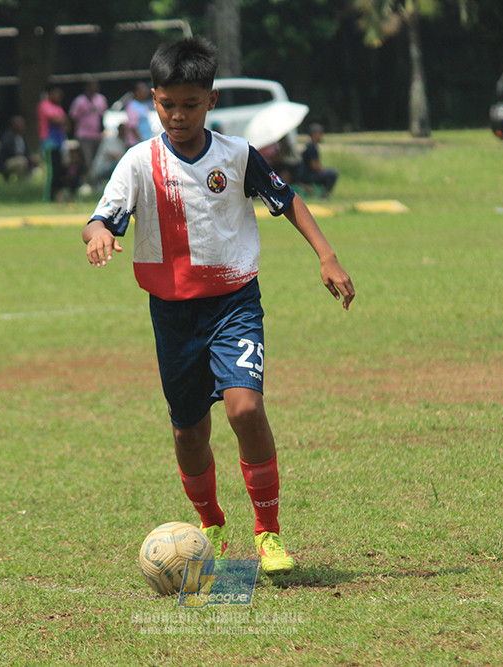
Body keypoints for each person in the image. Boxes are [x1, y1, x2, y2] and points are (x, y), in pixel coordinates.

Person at [82, 38, 355, 577]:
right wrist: (96, 235)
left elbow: (287, 198)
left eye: (189, 104)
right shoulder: (139, 162)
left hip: (234, 304)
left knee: (245, 410)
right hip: (173, 314)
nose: (177, 115)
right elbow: (104, 215)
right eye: (167, 105)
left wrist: (327, 256)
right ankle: (209, 519)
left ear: (208, 101)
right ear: (154, 101)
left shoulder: (235, 156)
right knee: (189, 432)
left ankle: (268, 535)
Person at [68, 79, 108, 186]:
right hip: (83, 135)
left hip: (96, 135)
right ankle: (90, 182)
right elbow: (73, 117)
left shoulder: (101, 99)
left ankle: (93, 180)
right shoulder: (79, 101)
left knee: (97, 160)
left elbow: (102, 116)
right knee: (87, 159)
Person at [37, 85, 69, 202]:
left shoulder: (58, 107)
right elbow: (56, 120)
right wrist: (61, 120)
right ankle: (47, 197)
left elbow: (64, 121)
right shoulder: (44, 105)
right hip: (49, 142)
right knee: (51, 170)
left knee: (58, 170)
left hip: (59, 142)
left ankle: (56, 196)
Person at [295, 123, 338, 197]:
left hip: (304, 174)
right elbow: (314, 166)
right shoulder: (312, 147)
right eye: (320, 133)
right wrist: (323, 170)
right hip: (307, 176)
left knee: (328, 173)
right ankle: (325, 195)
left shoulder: (309, 145)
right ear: (314, 134)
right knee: (332, 174)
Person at [0, 115, 39, 181]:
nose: (22, 126)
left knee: (31, 159)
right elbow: (9, 152)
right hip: (8, 162)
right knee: (22, 161)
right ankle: (20, 180)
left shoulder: (21, 137)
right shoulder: (7, 137)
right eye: (20, 124)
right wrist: (27, 158)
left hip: (22, 159)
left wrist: (31, 157)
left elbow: (26, 152)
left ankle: (26, 182)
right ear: (13, 125)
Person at [123, 81, 154, 148]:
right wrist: (141, 141)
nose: (145, 91)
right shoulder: (132, 106)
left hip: (144, 142)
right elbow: (133, 127)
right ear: (136, 92)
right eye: (143, 89)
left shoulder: (143, 105)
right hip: (136, 144)